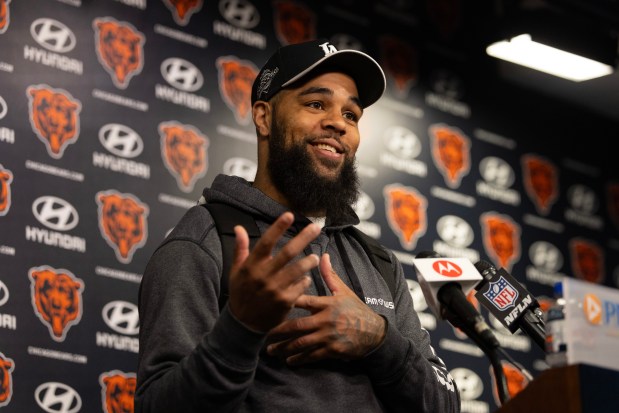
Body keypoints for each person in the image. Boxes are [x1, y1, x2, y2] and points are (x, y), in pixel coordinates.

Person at [136, 38, 460, 412]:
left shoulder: (378, 262)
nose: (338, 123)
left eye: (351, 115)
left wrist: (378, 339)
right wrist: (240, 329)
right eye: (316, 104)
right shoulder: (205, 241)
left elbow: (445, 405)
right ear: (264, 117)